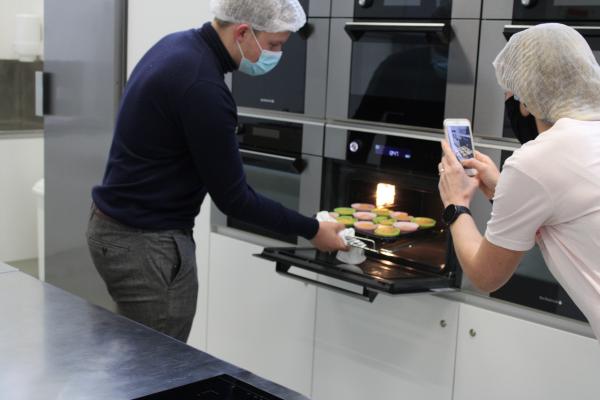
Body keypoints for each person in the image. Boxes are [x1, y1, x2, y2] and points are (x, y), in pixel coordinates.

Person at [86, 0, 347, 342]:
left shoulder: (177, 46)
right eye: (273, 44)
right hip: (146, 244)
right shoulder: (203, 88)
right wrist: (312, 229)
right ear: (243, 32)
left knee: (139, 354)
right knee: (159, 362)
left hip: (115, 228)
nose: (277, 55)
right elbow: (235, 200)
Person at [437, 23, 600, 340]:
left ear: (525, 101)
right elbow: (569, 209)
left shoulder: (536, 161)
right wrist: (505, 190)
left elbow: (485, 276)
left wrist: (456, 205)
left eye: (509, 91)